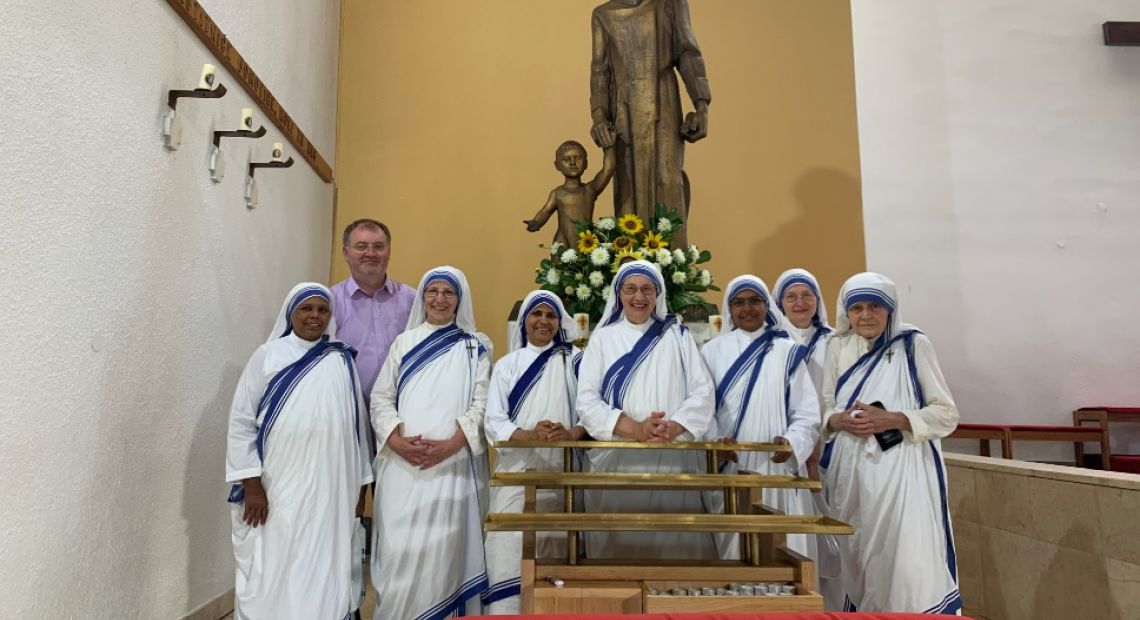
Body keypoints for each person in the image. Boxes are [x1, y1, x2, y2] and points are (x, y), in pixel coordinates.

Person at [225, 283, 373, 620]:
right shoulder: (268, 355)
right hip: (278, 483)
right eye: (306, 308)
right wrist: (252, 485)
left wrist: (360, 487)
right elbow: (241, 421)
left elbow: (358, 428)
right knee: (275, 556)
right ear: (291, 313)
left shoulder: (341, 359)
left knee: (323, 558)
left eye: (322, 310)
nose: (314, 316)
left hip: (331, 489)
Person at [820, 272, 960, 614]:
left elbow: (946, 414)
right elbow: (825, 406)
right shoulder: (837, 345)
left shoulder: (912, 344)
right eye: (857, 309)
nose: (865, 316)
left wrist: (894, 419)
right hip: (852, 474)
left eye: (875, 307)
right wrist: (838, 420)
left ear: (890, 309)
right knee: (860, 561)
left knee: (906, 561)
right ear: (847, 312)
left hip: (904, 474)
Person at [369, 266, 491, 620]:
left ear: (459, 299)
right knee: (398, 550)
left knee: (446, 550)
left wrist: (452, 445)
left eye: (448, 292)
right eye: (433, 291)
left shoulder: (475, 347)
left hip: (453, 468)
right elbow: (380, 398)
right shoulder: (403, 343)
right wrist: (396, 440)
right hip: (402, 468)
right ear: (423, 297)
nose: (440, 299)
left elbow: (482, 404)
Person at [576, 259, 715, 559]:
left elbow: (703, 391)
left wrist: (673, 427)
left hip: (671, 455)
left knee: (673, 545)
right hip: (618, 458)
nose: (638, 297)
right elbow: (586, 401)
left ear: (657, 295)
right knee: (618, 549)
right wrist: (637, 430)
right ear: (619, 294)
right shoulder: (603, 338)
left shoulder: (677, 335)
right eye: (630, 289)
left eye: (646, 289)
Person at [700, 275, 819, 563]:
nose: (747, 308)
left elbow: (806, 412)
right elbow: (702, 408)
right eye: (739, 303)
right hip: (732, 463)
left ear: (767, 305)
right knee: (735, 547)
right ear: (729, 309)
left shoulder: (787, 350)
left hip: (777, 464)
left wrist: (792, 441)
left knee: (785, 547)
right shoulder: (711, 351)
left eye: (755, 301)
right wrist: (715, 441)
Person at [483, 291, 585, 614]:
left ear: (560, 321)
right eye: (536, 314)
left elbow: (591, 412)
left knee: (557, 547)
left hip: (563, 474)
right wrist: (530, 435)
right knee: (508, 544)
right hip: (515, 473)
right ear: (524, 321)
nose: (543, 321)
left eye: (550, 315)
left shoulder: (575, 361)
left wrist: (570, 433)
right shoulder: (507, 365)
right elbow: (494, 420)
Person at [589, 0, 711, 247]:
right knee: (628, 193)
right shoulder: (603, 14)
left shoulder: (669, 4)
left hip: (664, 104)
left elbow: (688, 52)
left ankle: (674, 262)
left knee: (668, 183)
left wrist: (701, 104)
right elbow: (600, 72)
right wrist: (599, 117)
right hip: (624, 113)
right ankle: (631, 265)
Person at [773, 267, 840, 608]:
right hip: (789, 445)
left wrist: (821, 438)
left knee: (836, 527)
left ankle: (836, 604)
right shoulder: (771, 341)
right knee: (799, 534)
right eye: (791, 296)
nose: (799, 302)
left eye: (806, 295)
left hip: (834, 443)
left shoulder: (836, 341)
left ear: (818, 300)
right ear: (779, 303)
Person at [331, 219, 416, 407]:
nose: (370, 253)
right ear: (345, 253)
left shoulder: (414, 301)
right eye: (361, 247)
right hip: (348, 409)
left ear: (389, 252)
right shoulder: (329, 304)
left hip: (402, 410)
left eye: (378, 246)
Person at [524, 141, 616, 249]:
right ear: (557, 165)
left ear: (586, 163)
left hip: (587, 241)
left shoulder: (589, 190)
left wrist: (608, 147)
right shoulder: (557, 193)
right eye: (567, 159)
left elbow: (608, 170)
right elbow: (546, 211)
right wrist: (536, 222)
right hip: (563, 240)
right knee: (560, 257)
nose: (572, 162)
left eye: (577, 158)